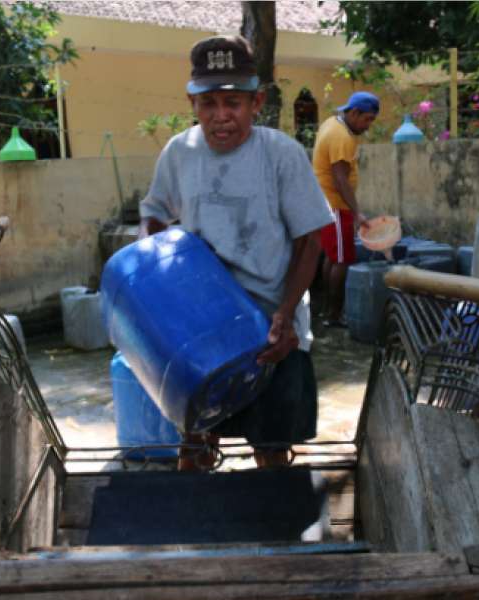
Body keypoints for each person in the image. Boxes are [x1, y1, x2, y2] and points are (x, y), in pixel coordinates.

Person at [138, 35, 333, 470]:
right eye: (209, 104)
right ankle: (197, 526)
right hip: (202, 327)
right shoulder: (179, 153)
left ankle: (275, 525)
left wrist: (285, 316)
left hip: (269, 326)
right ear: (192, 104)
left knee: (271, 450)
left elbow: (309, 242)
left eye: (234, 103)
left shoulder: (281, 154)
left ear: (257, 101)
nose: (221, 116)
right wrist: (159, 278)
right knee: (194, 447)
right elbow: (153, 217)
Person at [312, 91, 379, 327]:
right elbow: (340, 180)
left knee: (332, 256)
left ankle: (325, 312)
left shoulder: (331, 123)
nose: (368, 125)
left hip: (324, 202)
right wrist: (357, 212)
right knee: (342, 259)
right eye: (367, 119)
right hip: (335, 205)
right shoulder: (342, 137)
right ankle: (333, 315)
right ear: (354, 113)